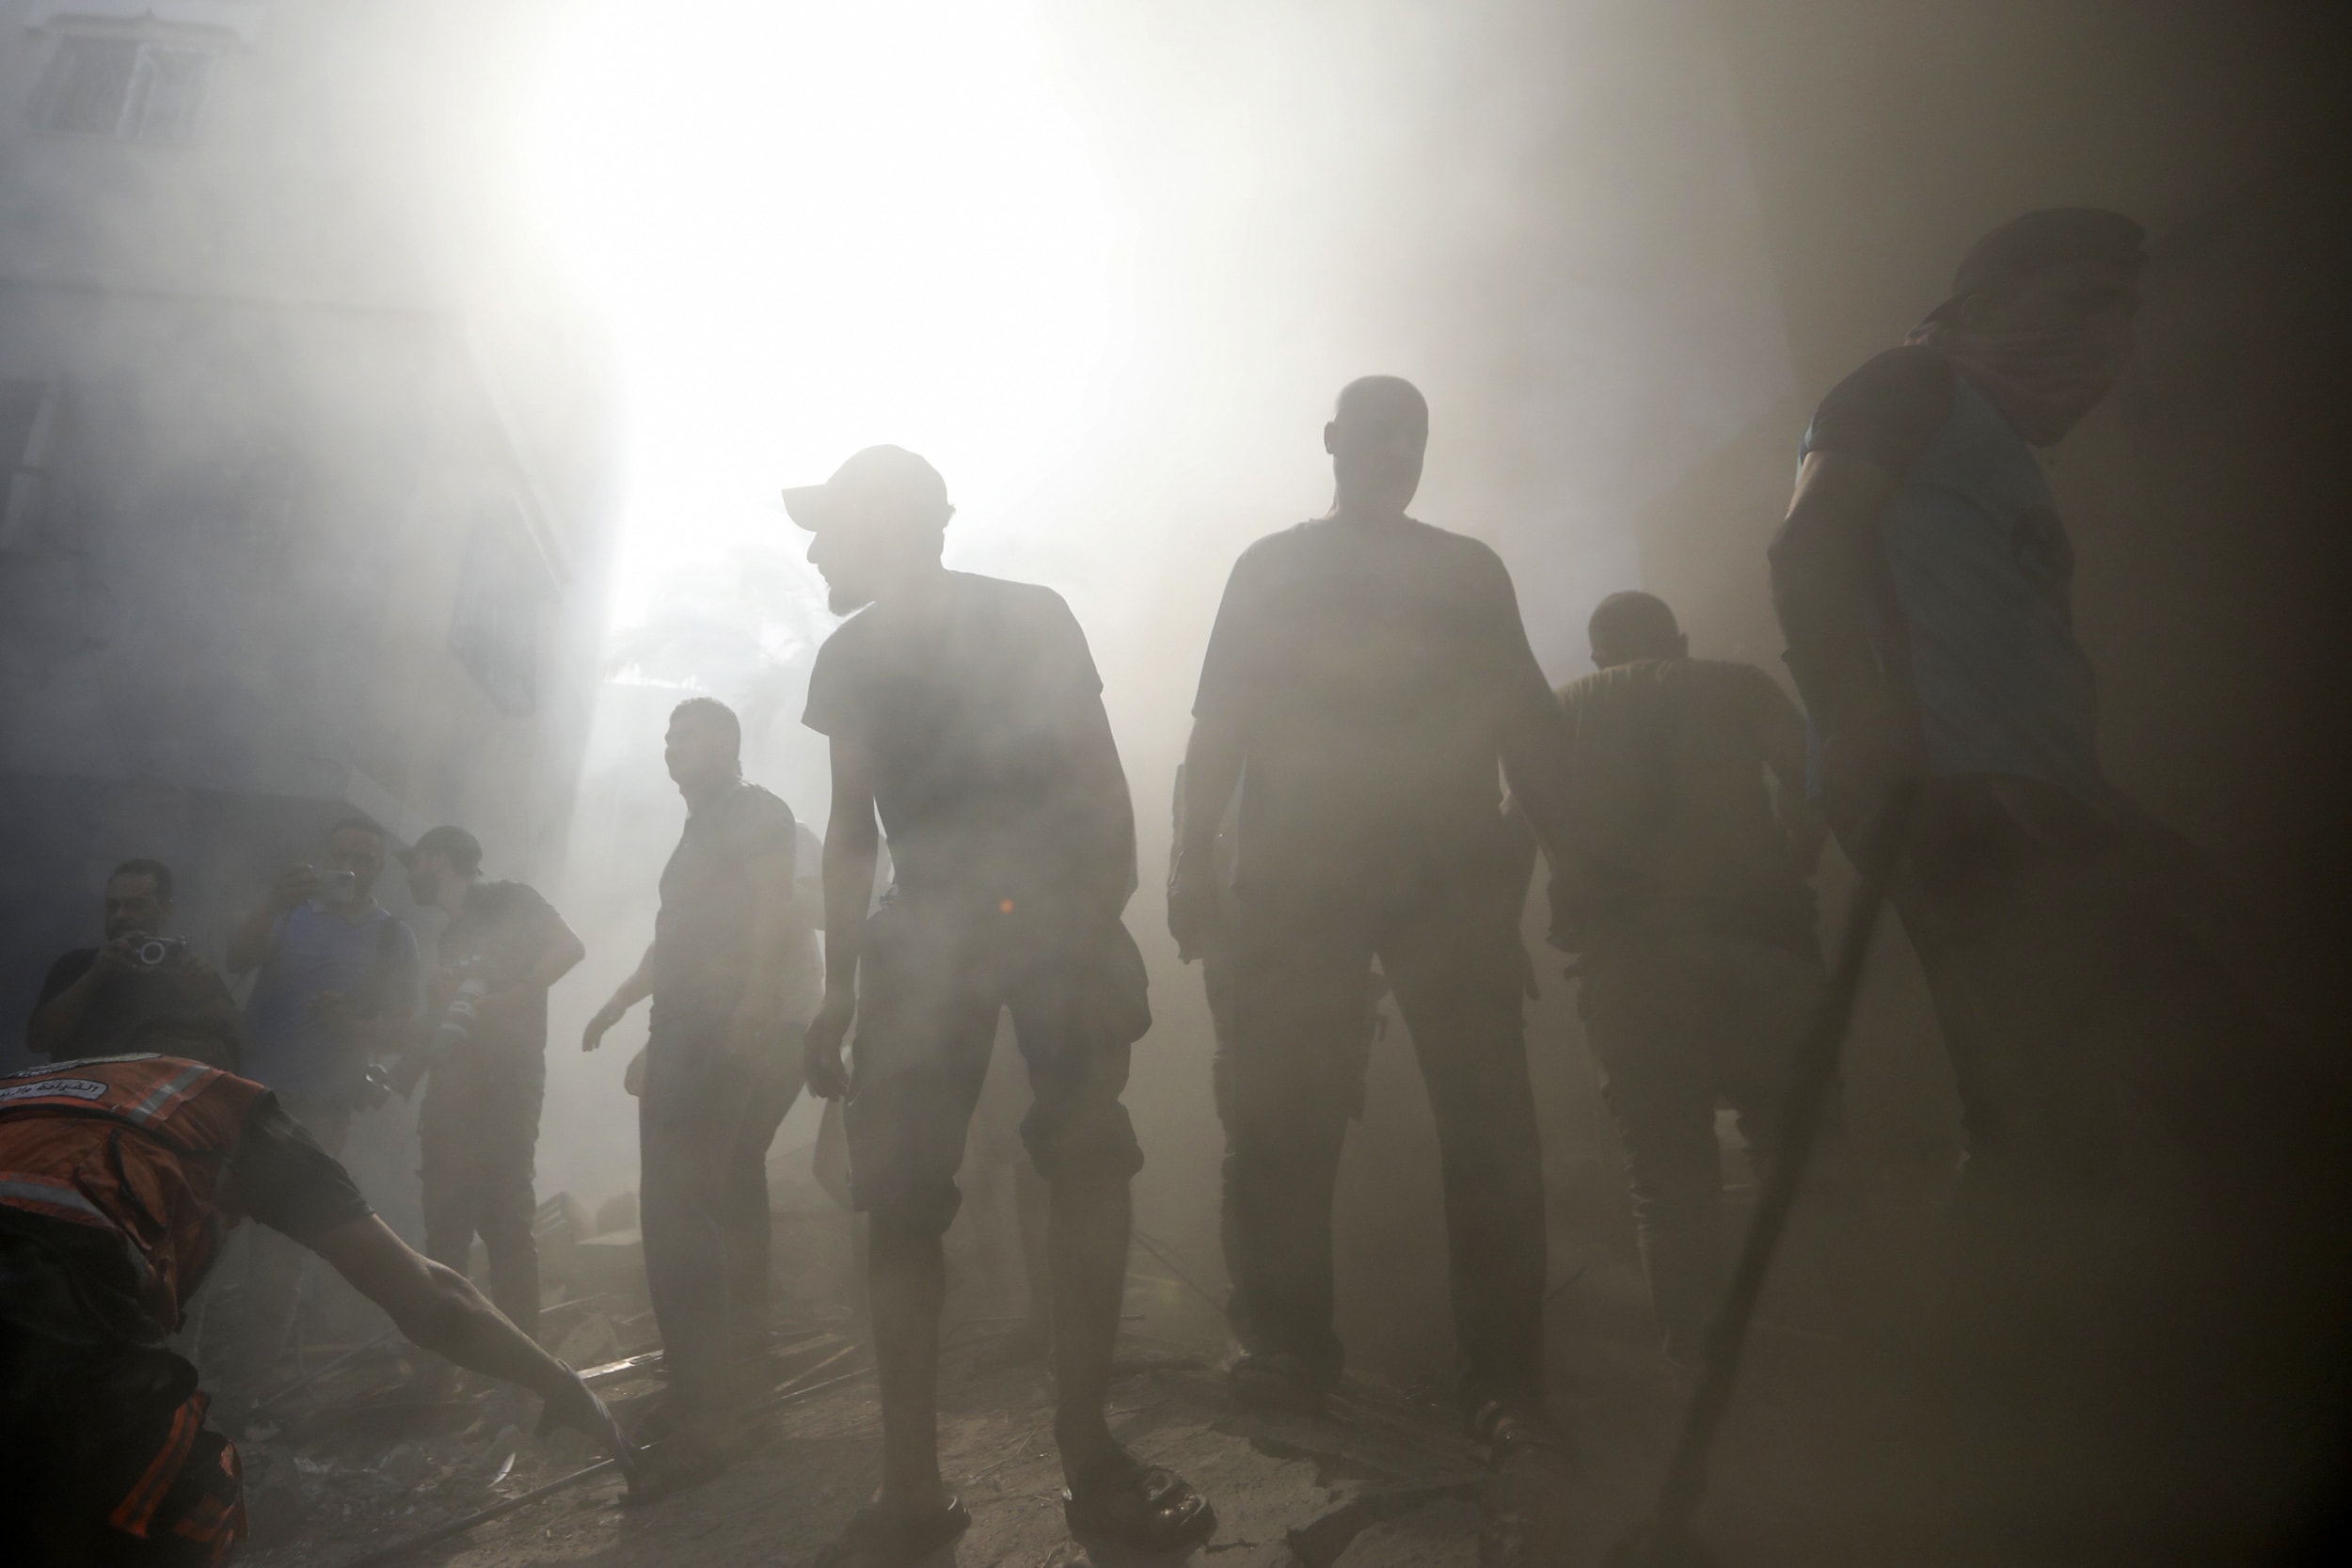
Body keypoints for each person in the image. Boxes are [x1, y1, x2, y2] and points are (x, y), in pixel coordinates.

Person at [1770, 207, 2351, 1544]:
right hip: (1960, 797)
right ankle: (2024, 1439)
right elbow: (1808, 545)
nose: (2106, 337)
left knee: (2052, 1128)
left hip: (2031, 796)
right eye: (2082, 300)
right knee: (2228, 1090)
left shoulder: (1990, 440)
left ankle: (1994, 1434)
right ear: (1995, 297)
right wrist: (1859, 717)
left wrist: (2114, 814)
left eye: (2121, 310)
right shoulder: (1909, 382)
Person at [790, 444, 1213, 1567]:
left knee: (968, 1186)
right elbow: (861, 826)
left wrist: (1097, 919)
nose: (816, 548)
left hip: (988, 919)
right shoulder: (920, 636)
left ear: (891, 522)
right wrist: (839, 983)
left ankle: (956, 1479)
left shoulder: (949, 632)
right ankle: (1026, 1464)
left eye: (830, 525)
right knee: (1028, 1171)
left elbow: (865, 826)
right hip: (990, 922)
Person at [1169, 377, 1570, 1444]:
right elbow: (1221, 720)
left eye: (1413, 435)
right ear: (1333, 441)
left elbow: (1525, 722)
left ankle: (1506, 1378)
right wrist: (1189, 859)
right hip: (1303, 872)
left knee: (1487, 1123)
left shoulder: (1466, 569)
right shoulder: (1271, 565)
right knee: (1281, 1117)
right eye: (1377, 433)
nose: (1396, 451)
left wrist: (1571, 860)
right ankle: (1288, 1350)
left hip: (1442, 871)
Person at [0, 1041, 629, 1566]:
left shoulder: (33, 1093)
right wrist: (560, 1383)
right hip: (47, 1297)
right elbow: (432, 1299)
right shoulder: (235, 1114)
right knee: (187, 1501)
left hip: (50, 1298)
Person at [1550, 591, 1867, 1369]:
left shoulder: (1559, 710)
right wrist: (1800, 848)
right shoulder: (1738, 684)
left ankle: (1697, 1372)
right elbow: (1818, 777)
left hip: (1633, 966)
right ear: (1681, 641)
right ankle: (1867, 1358)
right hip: (1759, 947)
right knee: (1807, 1162)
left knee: (1667, 1186)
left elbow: (1524, 828)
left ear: (1596, 655)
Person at [580, 697, 805, 1485]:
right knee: (698, 1203)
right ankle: (718, 1386)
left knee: (680, 1208)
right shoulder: (698, 830)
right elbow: (673, 937)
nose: (672, 746)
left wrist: (757, 999)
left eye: (689, 734)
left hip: (720, 1022)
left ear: (729, 743)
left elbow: (776, 907)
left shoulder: (754, 809)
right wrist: (621, 1002)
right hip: (685, 1024)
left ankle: (713, 1413)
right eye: (668, 735)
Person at [221, 816, 419, 1388]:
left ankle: (237, 1406)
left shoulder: (391, 935)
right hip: (244, 1096)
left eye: (364, 859)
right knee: (203, 1242)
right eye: (341, 856)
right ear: (325, 857)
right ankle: (179, 1395)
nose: (350, 868)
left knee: (279, 1259)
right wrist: (271, 902)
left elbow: (404, 1031)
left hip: (320, 1109)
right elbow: (236, 959)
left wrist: (350, 1023)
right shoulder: (288, 910)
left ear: (381, 867)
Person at [397, 825, 586, 1342]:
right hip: (454, 1088)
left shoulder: (508, 899)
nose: (409, 875)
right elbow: (453, 1021)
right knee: (446, 1224)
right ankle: (451, 1356)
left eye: (414, 862)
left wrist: (516, 995)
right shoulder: (450, 935)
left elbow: (570, 947)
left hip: (508, 1081)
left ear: (439, 859)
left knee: (504, 1217)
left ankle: (521, 1364)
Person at [25, 859, 243, 1067]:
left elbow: (239, 1048)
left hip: (163, 1091)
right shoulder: (77, 966)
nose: (121, 915)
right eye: (113, 906)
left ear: (166, 910)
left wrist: (205, 996)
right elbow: (38, 1041)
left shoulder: (188, 970)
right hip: (77, 1091)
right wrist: (92, 979)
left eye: (136, 905)